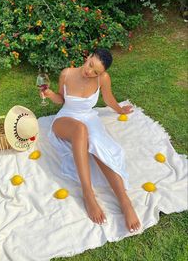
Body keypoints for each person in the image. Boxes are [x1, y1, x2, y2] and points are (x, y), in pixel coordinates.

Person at [42, 48, 141, 233]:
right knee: (80, 129)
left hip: (88, 117)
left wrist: (120, 110)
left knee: (95, 140)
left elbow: (108, 98)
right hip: (66, 119)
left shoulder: (102, 79)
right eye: (90, 65)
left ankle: (125, 201)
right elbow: (61, 99)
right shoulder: (67, 73)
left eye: (96, 72)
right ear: (87, 57)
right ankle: (88, 194)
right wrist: (49, 95)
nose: (90, 72)